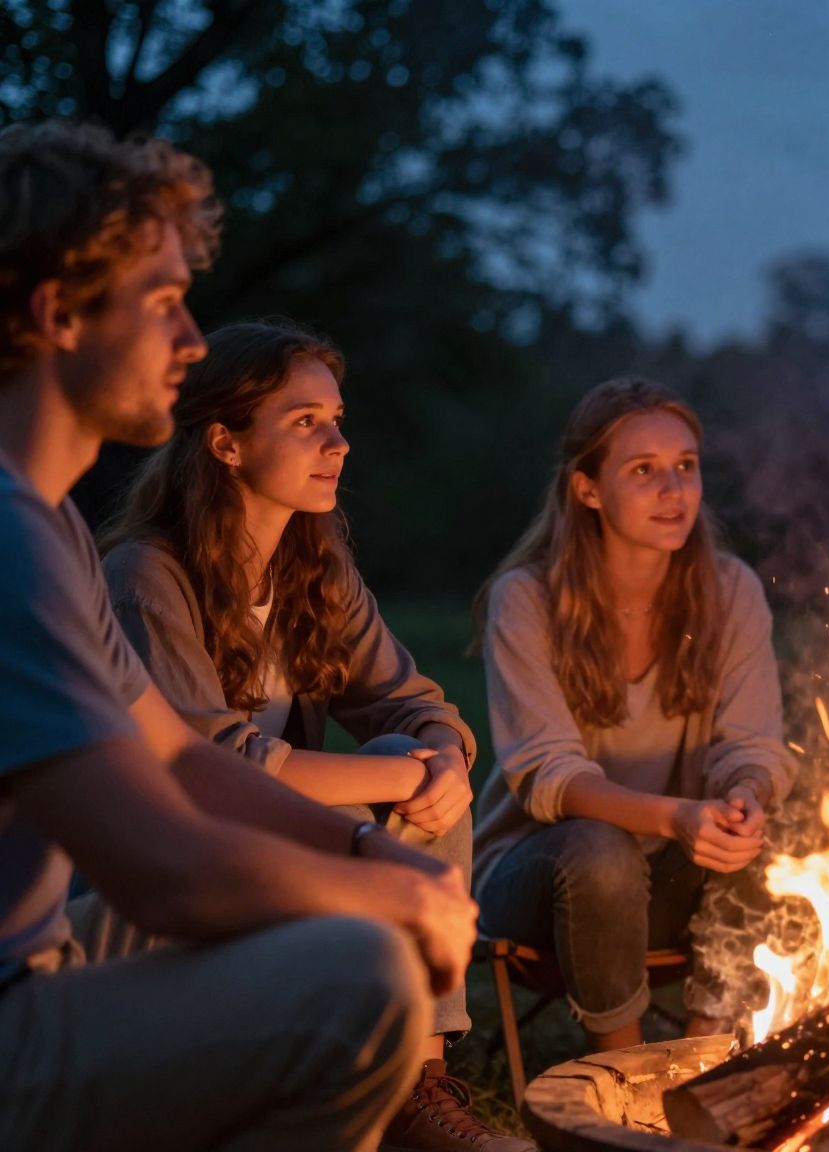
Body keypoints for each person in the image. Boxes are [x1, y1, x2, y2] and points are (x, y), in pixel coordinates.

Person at [0, 121, 472, 1152]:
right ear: (57, 316)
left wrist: (364, 846)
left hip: (42, 959)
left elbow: (171, 753)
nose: (189, 342)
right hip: (13, 1021)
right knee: (359, 977)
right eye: (164, 303)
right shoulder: (21, 545)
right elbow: (161, 869)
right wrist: (380, 893)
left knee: (344, 914)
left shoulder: (49, 527)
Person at [95, 319, 527, 1151]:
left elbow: (418, 701)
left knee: (418, 758)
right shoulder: (146, 577)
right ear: (224, 441)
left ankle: (418, 1080)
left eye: (336, 418)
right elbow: (208, 765)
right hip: (161, 867)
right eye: (305, 422)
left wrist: (442, 752)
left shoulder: (311, 569)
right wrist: (410, 774)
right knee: (406, 769)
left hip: (277, 839)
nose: (339, 441)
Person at [473, 377, 794, 1052]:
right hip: (538, 884)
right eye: (644, 471)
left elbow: (753, 744)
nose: (673, 491)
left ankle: (703, 1059)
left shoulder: (730, 591)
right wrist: (676, 816)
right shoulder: (527, 600)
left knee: (773, 822)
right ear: (587, 488)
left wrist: (744, 797)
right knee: (601, 847)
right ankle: (628, 1079)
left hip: (677, 870)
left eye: (686, 467)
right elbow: (549, 777)